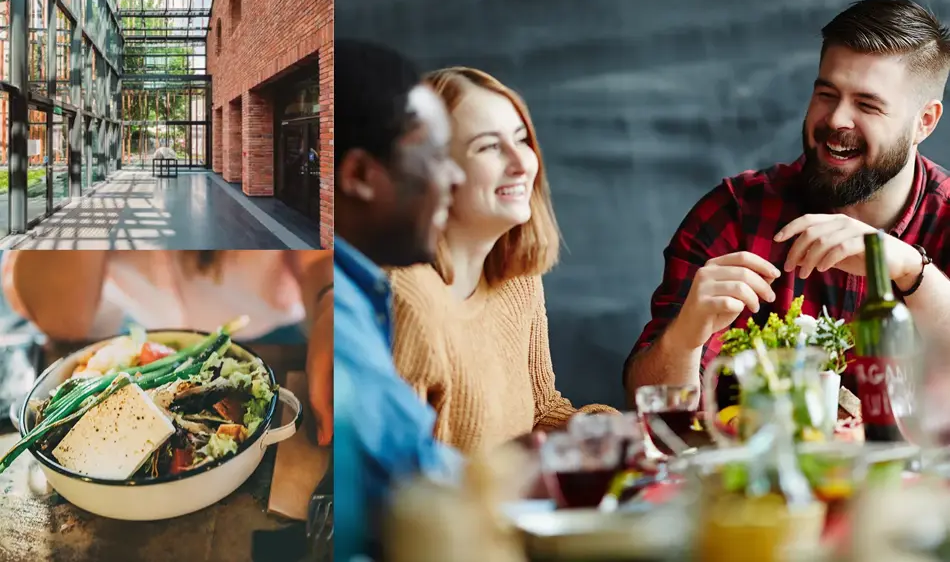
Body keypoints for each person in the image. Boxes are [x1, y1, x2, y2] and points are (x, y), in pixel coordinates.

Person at [624, 0, 950, 404]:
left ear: (925, 121)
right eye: (827, 94)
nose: (835, 120)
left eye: (867, 105)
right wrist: (683, 340)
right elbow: (649, 404)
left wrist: (908, 269)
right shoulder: (735, 214)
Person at [390, 67, 616, 454]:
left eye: (521, 139)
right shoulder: (406, 299)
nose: (522, 163)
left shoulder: (517, 277)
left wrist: (609, 430)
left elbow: (543, 410)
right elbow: (404, 487)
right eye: (489, 147)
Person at [333, 39, 466, 560]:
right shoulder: (336, 306)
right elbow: (407, 481)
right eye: (436, 156)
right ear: (361, 176)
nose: (453, 177)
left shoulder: (358, 290)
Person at [1, 250, 335, 444]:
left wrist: (331, 305)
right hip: (134, 339)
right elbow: (60, 315)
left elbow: (320, 258)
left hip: (280, 337)